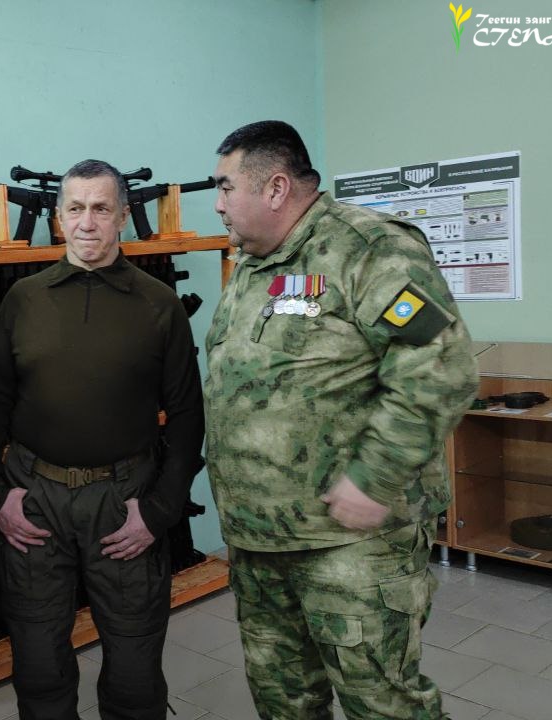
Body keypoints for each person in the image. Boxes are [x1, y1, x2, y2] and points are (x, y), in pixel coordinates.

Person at [203, 120, 478, 719]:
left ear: (275, 187)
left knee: (382, 704)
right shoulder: (251, 264)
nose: (218, 204)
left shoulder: (369, 249)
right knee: (284, 702)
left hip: (349, 544)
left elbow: (440, 366)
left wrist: (374, 477)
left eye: (225, 187)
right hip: (259, 541)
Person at [0, 159, 205, 720]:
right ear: (58, 218)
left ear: (123, 216)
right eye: (75, 208)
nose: (87, 222)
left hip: (123, 500)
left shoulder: (158, 304)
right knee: (38, 661)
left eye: (101, 208)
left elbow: (187, 413)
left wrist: (161, 510)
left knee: (134, 665)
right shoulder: (24, 298)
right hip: (34, 498)